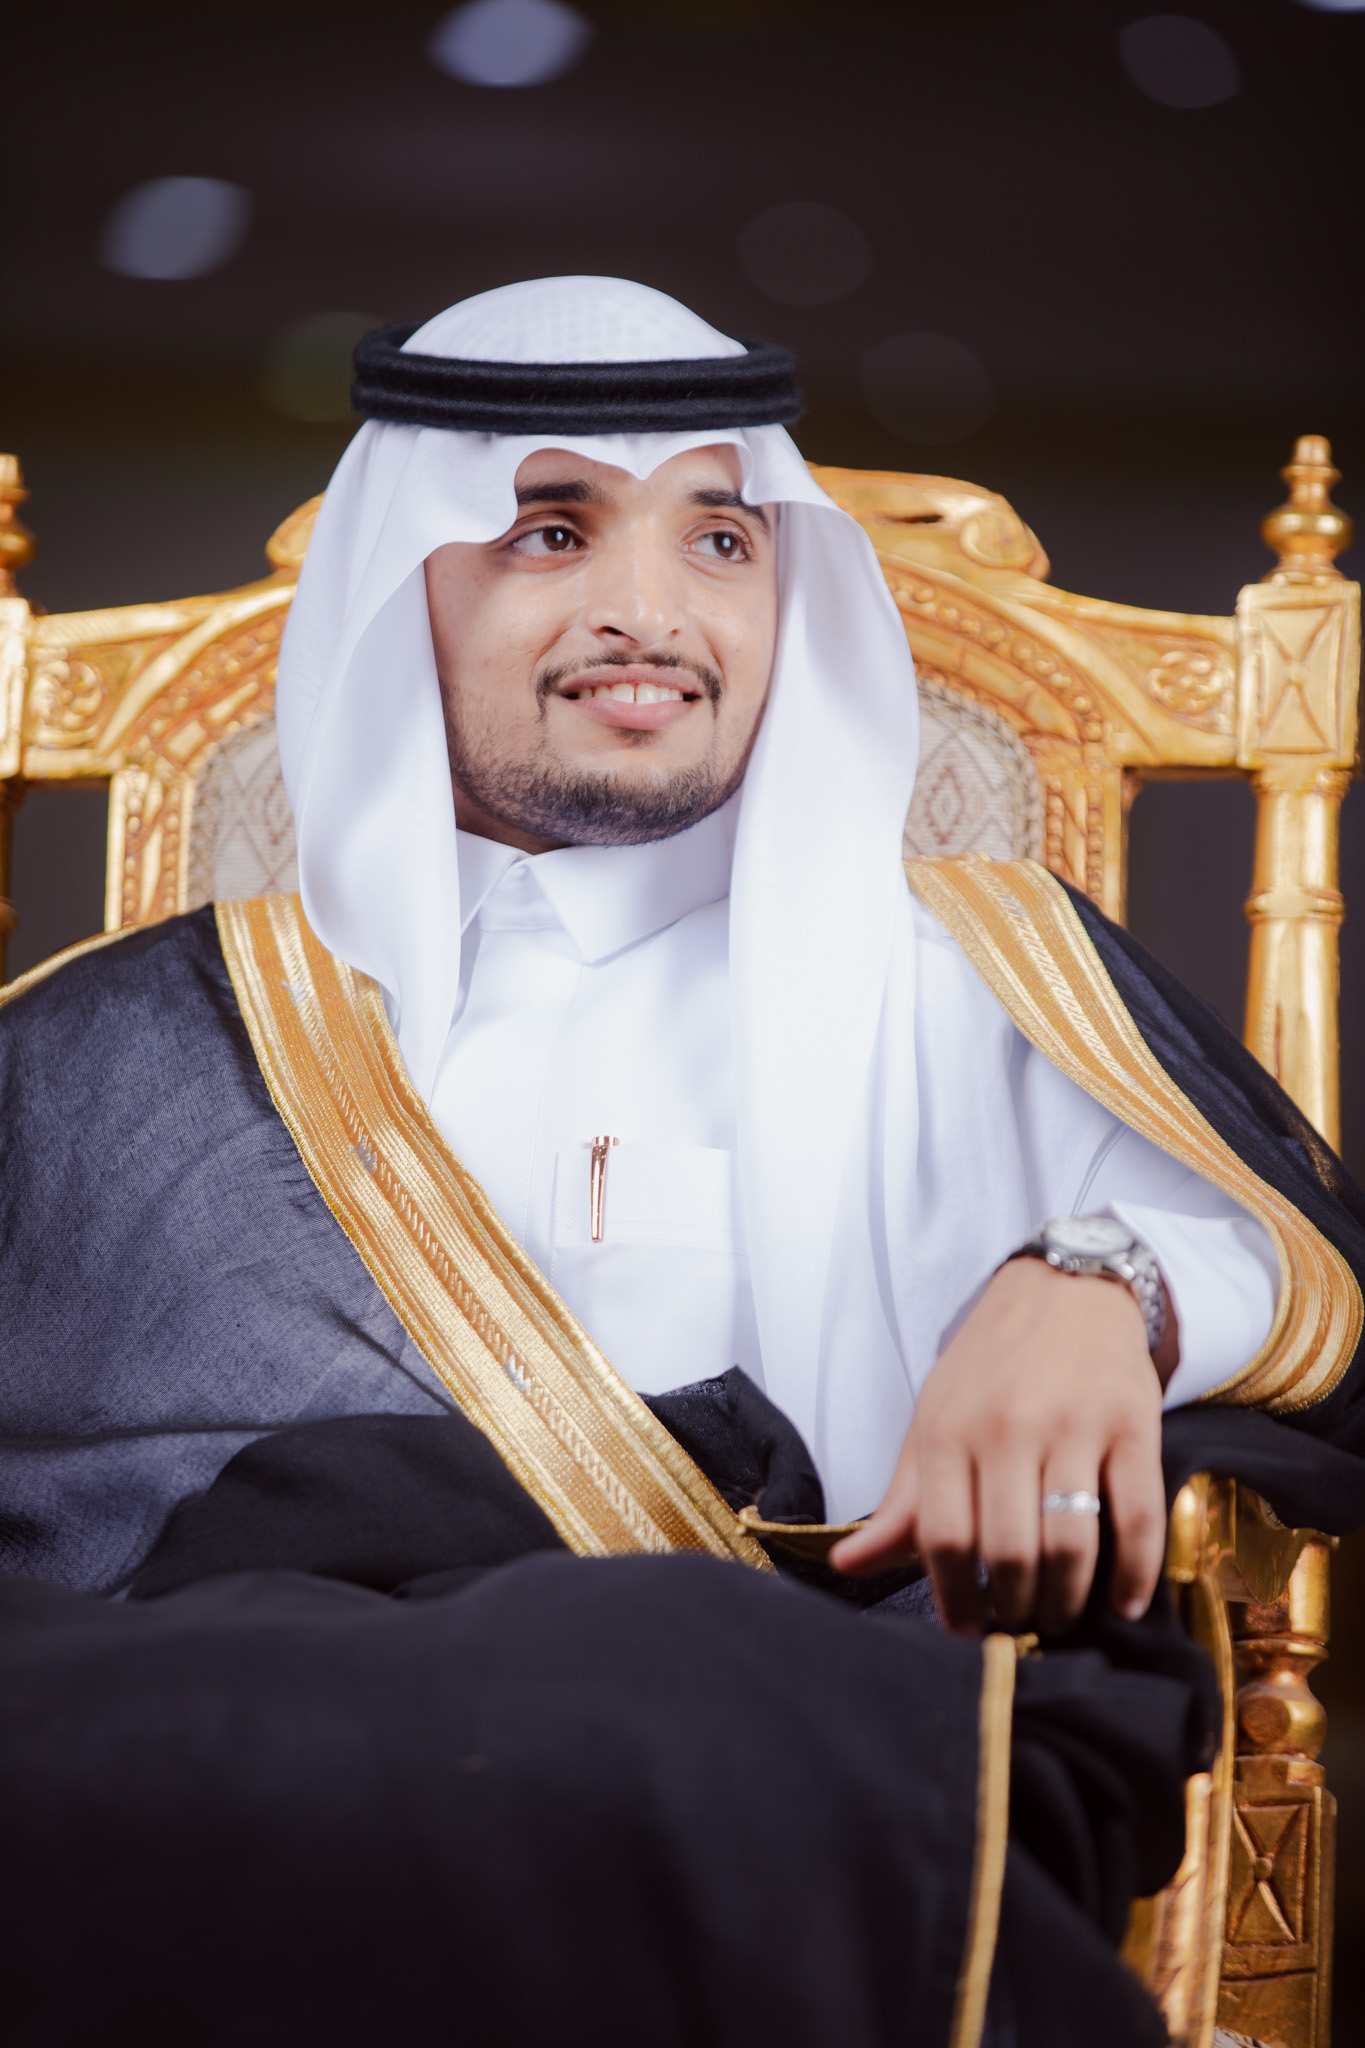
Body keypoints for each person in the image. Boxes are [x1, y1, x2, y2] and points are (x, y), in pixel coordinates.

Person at [1, 276, 1363, 2048]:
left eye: (719, 538)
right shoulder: (143, 1034)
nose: (646, 611)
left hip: (797, 1759)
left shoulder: (978, 973)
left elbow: (1290, 1271)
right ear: (401, 587)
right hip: (235, 1769)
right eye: (549, 531)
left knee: (641, 1699)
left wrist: (1102, 1286)